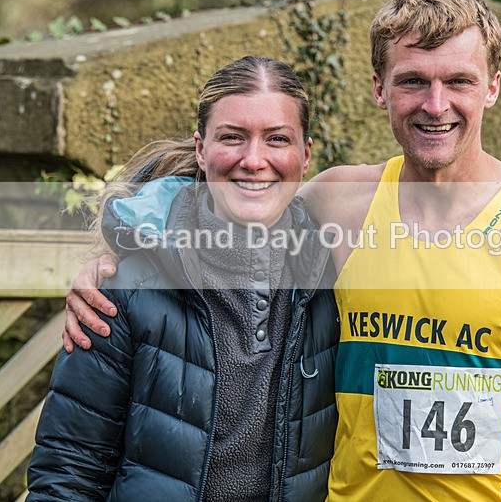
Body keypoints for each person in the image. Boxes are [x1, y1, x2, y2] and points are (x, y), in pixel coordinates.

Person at [60, 0, 501, 501]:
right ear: (379, 90)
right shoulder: (337, 203)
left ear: (493, 88)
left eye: (459, 81)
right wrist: (123, 253)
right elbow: (230, 201)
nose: (436, 105)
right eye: (412, 81)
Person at [28, 56, 341, 501]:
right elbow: (68, 472)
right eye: (232, 137)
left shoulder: (333, 277)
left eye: (277, 139)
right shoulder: (126, 288)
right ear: (200, 149)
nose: (254, 160)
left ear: (305, 155)